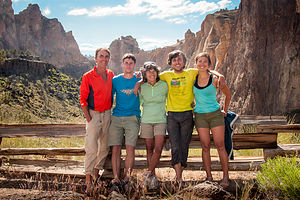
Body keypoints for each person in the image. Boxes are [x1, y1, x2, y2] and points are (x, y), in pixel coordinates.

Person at [193, 52, 231, 188]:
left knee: (220, 146)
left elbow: (227, 94)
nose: (202, 64)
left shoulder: (215, 79)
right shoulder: (193, 79)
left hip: (215, 115)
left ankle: (226, 177)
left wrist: (225, 110)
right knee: (205, 146)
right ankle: (209, 177)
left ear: (208, 64)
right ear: (196, 63)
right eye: (199, 61)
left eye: (205, 62)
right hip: (200, 116)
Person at [80, 48, 115, 192]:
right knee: (91, 147)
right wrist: (88, 117)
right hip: (93, 114)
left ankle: (96, 174)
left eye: (107, 57)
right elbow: (82, 98)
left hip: (107, 113)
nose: (104, 59)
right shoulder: (88, 76)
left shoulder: (111, 74)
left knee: (105, 147)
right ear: (95, 59)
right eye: (101, 56)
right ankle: (88, 178)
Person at [108, 53, 141, 192]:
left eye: (131, 63)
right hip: (116, 117)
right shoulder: (116, 80)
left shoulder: (139, 79)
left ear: (134, 65)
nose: (128, 65)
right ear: (122, 64)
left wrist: (139, 81)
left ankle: (127, 179)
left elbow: (152, 77)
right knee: (115, 149)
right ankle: (116, 179)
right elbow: (109, 97)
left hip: (132, 118)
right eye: (126, 63)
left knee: (130, 149)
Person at [139, 62, 168, 189]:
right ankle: (153, 178)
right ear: (145, 74)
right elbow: (139, 101)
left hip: (160, 119)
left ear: (157, 72)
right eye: (149, 71)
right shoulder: (142, 87)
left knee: (158, 148)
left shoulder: (164, 85)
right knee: (149, 149)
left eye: (154, 71)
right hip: (146, 120)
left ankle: (148, 174)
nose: (152, 73)